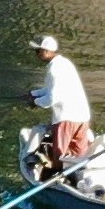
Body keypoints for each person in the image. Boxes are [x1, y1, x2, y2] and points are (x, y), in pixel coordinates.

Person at [27, 34, 93, 165]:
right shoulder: (64, 63)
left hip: (66, 118)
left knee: (59, 155)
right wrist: (33, 93)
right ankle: (77, 179)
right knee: (78, 155)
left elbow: (52, 98)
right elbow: (52, 89)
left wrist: (34, 102)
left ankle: (56, 178)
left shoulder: (54, 69)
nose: (36, 54)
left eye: (38, 51)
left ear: (46, 51)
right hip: (82, 117)